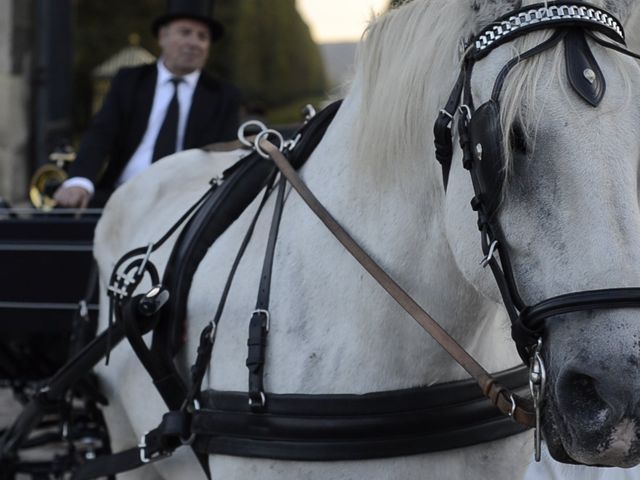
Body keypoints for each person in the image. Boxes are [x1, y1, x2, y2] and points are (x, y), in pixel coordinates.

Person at [54, 0, 242, 208]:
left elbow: (225, 158)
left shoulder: (223, 96)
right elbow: (101, 134)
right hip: (121, 196)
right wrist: (80, 181)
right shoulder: (129, 81)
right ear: (163, 36)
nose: (194, 43)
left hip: (188, 206)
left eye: (202, 36)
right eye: (185, 32)